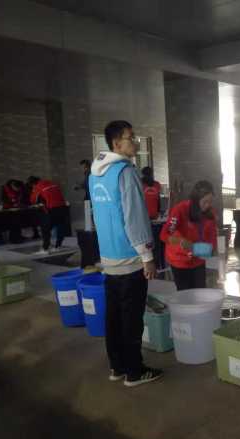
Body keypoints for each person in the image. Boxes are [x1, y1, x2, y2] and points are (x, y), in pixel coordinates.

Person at [89, 120, 161, 387]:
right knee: (132, 319)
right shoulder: (125, 171)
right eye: (131, 138)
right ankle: (134, 371)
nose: (136, 143)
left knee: (114, 316)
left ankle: (117, 366)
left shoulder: (95, 174)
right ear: (117, 143)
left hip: (109, 257)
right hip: (130, 258)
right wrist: (147, 256)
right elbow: (135, 217)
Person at [160, 180, 217, 291]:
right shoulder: (180, 209)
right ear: (196, 199)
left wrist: (195, 248)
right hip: (179, 261)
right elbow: (164, 235)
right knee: (185, 295)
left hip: (199, 259)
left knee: (200, 293)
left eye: (210, 202)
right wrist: (180, 241)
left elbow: (212, 246)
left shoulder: (210, 214)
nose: (208, 205)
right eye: (205, 202)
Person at [28, 175, 67, 254]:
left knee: (45, 229)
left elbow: (33, 200)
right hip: (62, 207)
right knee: (60, 226)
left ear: (33, 184)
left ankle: (45, 249)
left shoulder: (37, 187)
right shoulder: (52, 183)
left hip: (51, 209)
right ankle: (58, 246)